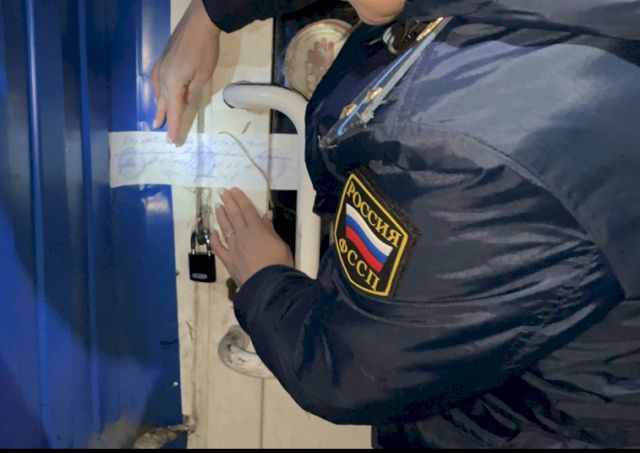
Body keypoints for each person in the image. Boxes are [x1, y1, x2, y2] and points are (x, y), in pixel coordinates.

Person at [153, 0, 640, 448]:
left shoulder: (474, 151)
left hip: (514, 425)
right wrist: (211, 13)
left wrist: (264, 279)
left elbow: (351, 370)